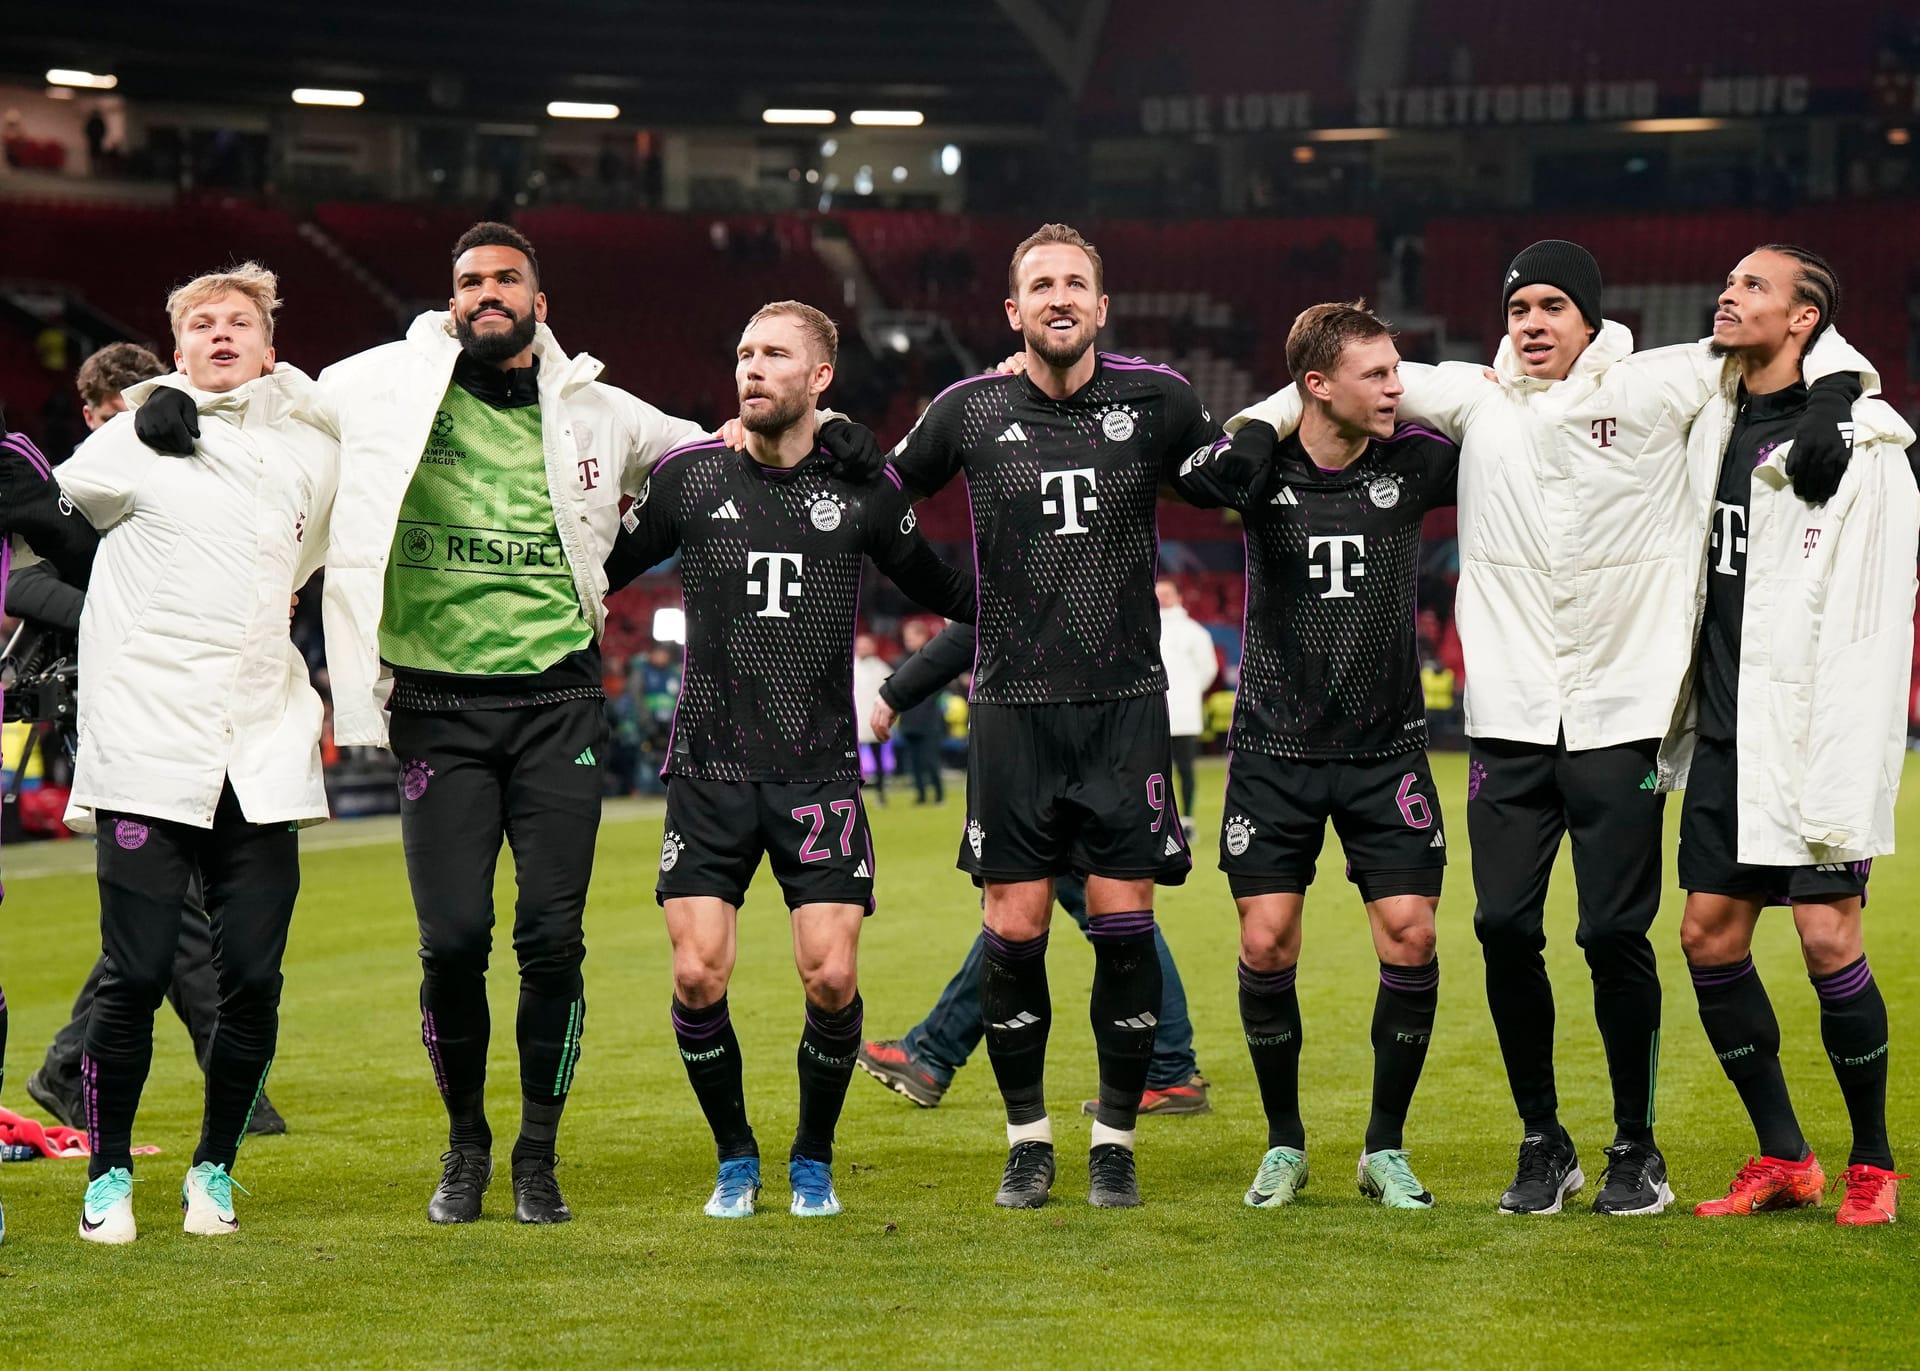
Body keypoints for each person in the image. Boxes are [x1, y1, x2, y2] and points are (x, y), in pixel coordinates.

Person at [137, 222, 886, 1226]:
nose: (485, 292)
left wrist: (834, 440)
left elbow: (716, 449)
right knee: (451, 942)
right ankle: (467, 1148)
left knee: (550, 940)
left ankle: (537, 1154)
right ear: (451, 299)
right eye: (468, 281)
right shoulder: (382, 385)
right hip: (437, 707)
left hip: (555, 702)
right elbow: (271, 398)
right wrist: (168, 404)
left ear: (540, 301)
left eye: (505, 279)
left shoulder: (597, 409)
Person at [1232, 241, 1875, 1216]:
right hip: (1511, 720)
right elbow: (1335, 385)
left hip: (1624, 713)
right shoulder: (1477, 397)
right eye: (1520, 305)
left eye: (1552, 306)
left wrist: (1831, 402)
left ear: (1589, 318)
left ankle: (1636, 1147)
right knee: (1500, 926)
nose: (1532, 322)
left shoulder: (1660, 383)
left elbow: (1800, 344)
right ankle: (1545, 1139)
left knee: (1615, 931)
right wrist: (1254, 424)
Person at [603, 301, 973, 1219]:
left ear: (820, 379)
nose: (752, 367)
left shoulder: (862, 488)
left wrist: (1034, 597)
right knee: (697, 974)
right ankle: (736, 1157)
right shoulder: (691, 479)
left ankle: (812, 1156)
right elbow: (594, 565)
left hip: (818, 772)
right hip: (708, 769)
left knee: (831, 974)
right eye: (742, 353)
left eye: (775, 354)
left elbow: (952, 591)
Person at [886, 223, 1228, 1209]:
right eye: (1041, 285)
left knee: (1125, 924)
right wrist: (953, 594)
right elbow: (879, 499)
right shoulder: (969, 409)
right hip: (1013, 712)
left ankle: (1115, 1140)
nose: (1060, 297)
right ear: (1014, 310)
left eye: (1076, 282)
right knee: (1015, 927)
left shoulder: (1158, 399)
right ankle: (1028, 1139)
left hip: (1125, 710)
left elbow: (1232, 478)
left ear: (1101, 306)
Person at [5, 263, 338, 1244]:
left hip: (262, 741)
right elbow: (51, 533)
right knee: (136, 971)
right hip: (149, 737)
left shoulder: (310, 452)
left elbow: (319, 549)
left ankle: (214, 1171)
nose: (222, 333)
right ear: (178, 347)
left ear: (270, 347)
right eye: (201, 323)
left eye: (241, 321)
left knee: (254, 979)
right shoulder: (129, 439)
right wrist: (141, 425)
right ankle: (106, 1176)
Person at [1669, 246, 1916, 1226]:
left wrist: (1841, 396)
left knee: (1825, 936)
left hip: (1813, 729)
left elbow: (1881, 608)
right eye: (1726, 282)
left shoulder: (1865, 444)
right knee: (1708, 934)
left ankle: (1874, 1163)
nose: (1729, 294)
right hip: (1727, 730)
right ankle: (1784, 1156)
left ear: (1806, 319)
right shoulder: (1708, 413)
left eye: (1755, 287)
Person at [1198, 303, 1455, 1210]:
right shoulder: (1258, 470)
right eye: (1377, 374)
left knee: (1412, 935)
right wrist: (1264, 421)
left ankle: (1384, 1146)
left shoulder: (1417, 461)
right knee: (1266, 943)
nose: (1398, 387)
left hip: (1387, 750)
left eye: (1398, 371)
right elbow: (1201, 474)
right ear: (1316, 386)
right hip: (1274, 748)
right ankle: (1285, 1142)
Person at [22, 343, 286, 1139]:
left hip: (186, 704)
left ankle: (69, 1064)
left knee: (173, 905)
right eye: (109, 415)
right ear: (93, 414)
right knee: (172, 907)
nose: (120, 427)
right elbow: (23, 579)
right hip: (108, 707)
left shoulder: (187, 468)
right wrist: (112, 612)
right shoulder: (86, 478)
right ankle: (213, 1070)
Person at [860, 618, 1211, 1116]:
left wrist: (899, 689)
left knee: (1094, 922)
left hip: (1050, 754)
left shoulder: (1030, 554)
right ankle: (931, 1052)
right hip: (1089, 747)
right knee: (1040, 920)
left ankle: (1170, 1068)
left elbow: (977, 619)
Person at [1156, 577, 1217, 834]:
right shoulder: (1147, 628)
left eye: (1167, 593)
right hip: (1156, 713)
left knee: (1185, 769)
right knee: (1157, 772)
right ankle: (1160, 821)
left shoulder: (1195, 632)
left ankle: (1188, 819)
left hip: (1184, 713)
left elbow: (1208, 669)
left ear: (1179, 597)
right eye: (1158, 593)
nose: (1162, 598)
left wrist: (1189, 693)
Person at [889, 618, 946, 804]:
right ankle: (920, 795)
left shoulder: (934, 660)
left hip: (929, 719)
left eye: (912, 637)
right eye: (907, 638)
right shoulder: (899, 662)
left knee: (930, 760)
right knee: (913, 762)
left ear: (923, 636)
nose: (908, 641)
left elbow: (940, 687)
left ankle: (938, 795)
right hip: (909, 720)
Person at [852, 632, 891, 802]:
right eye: (860, 645)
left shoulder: (881, 668)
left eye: (866, 645)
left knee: (878, 759)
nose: (863, 649)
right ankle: (854, 794)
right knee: (852, 761)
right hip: (855, 722)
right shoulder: (851, 665)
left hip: (874, 720)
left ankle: (881, 793)